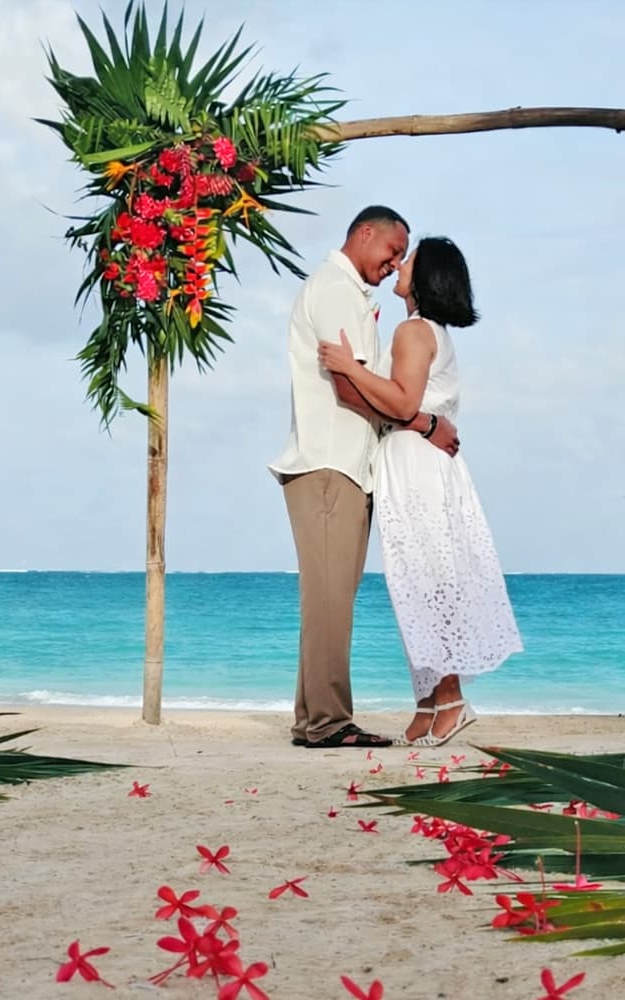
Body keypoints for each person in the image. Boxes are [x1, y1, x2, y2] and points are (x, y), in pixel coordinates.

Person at [318, 236, 523, 747]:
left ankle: (450, 699)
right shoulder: (430, 332)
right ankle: (429, 701)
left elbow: (404, 401)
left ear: (426, 276)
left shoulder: (413, 330)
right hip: (421, 460)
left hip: (415, 464)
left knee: (426, 579)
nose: (398, 267)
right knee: (418, 579)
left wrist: (349, 368)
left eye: (407, 261)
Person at [269, 207, 460, 749]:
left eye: (402, 258)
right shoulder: (333, 289)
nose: (393, 263)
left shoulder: (351, 295)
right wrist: (422, 423)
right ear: (363, 234)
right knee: (330, 599)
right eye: (391, 251)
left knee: (327, 597)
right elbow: (347, 387)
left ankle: (313, 720)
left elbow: (362, 382)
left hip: (342, 463)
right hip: (330, 461)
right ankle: (329, 724)